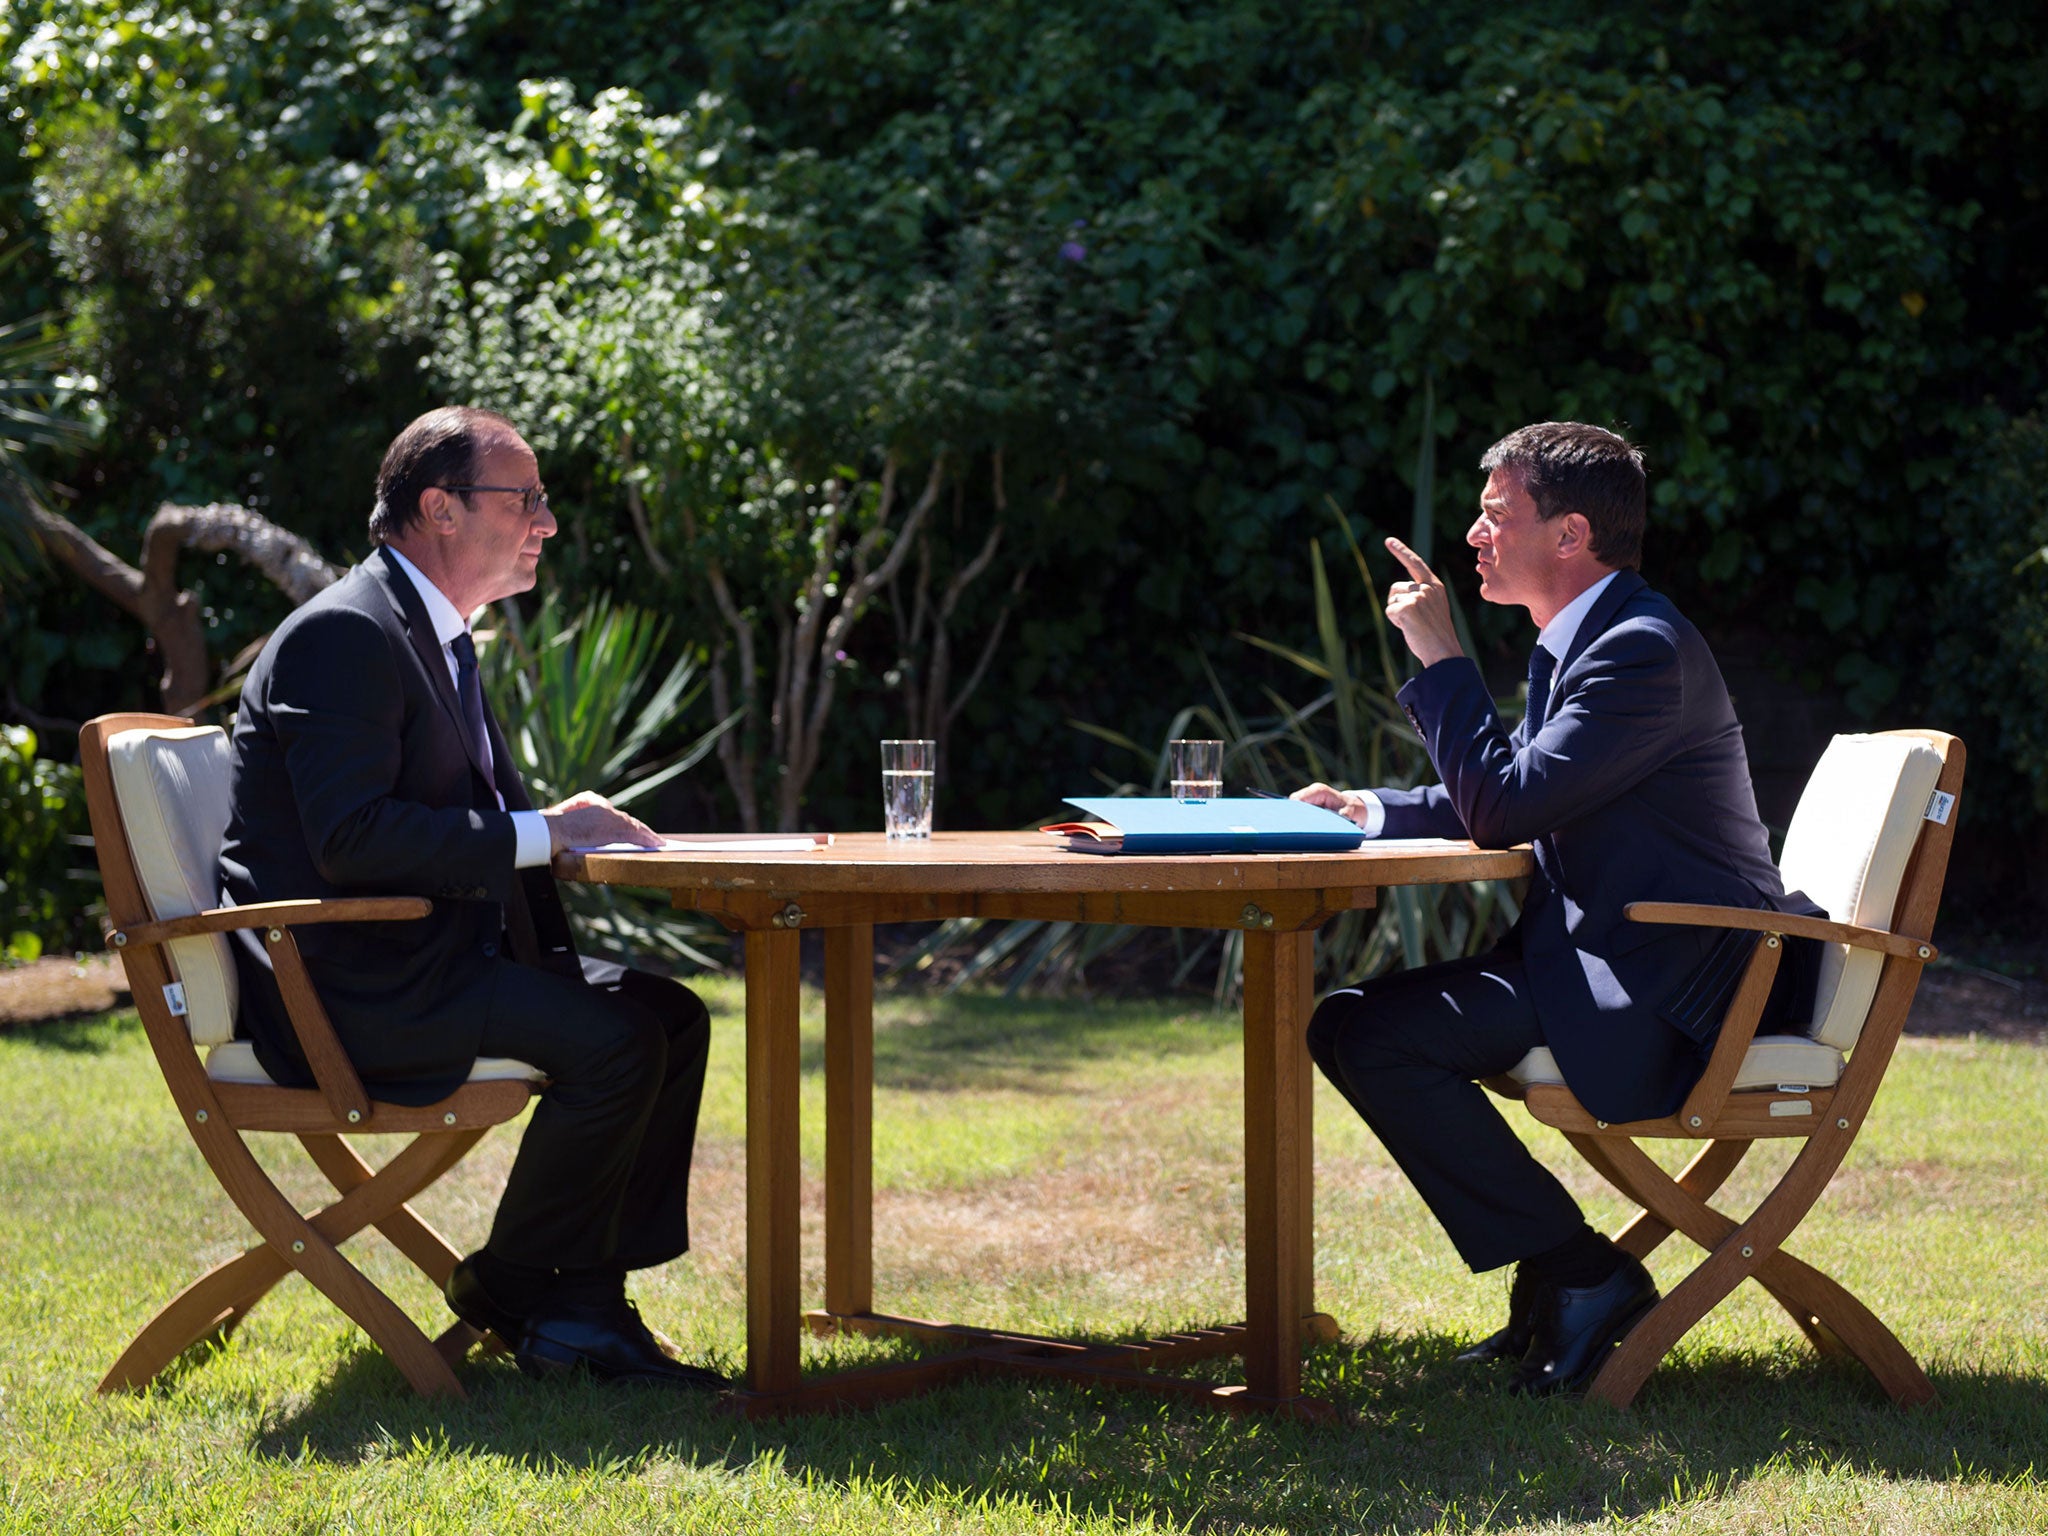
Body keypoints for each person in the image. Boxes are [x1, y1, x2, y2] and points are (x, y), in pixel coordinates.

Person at [1292, 420, 1820, 1396]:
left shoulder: (1639, 652)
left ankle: (1581, 1274)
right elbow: (1525, 786)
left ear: (1569, 533)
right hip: (1601, 956)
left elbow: (1505, 805)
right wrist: (1367, 808)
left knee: (1371, 1035)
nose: (1472, 536)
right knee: (1353, 1025)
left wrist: (1440, 654)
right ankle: (1564, 1270)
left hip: (1665, 988)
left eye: (1496, 515)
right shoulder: (1597, 640)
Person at [219, 405, 722, 1389]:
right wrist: (542, 836)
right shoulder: (346, 636)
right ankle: (523, 1287)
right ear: (438, 509)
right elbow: (352, 839)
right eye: (523, 498)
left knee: (667, 1015)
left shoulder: (431, 633)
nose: (546, 521)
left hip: (424, 957)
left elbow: (451, 814)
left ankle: (577, 1301)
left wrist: (552, 821)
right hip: (349, 988)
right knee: (614, 1043)